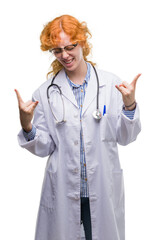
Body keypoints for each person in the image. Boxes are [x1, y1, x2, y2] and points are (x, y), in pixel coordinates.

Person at [15, 15, 141, 240]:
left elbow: (125, 136)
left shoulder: (111, 85)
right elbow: (44, 147)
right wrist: (27, 124)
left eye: (70, 47)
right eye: (56, 50)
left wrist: (129, 104)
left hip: (103, 186)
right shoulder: (45, 92)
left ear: (82, 42)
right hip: (63, 189)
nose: (64, 55)